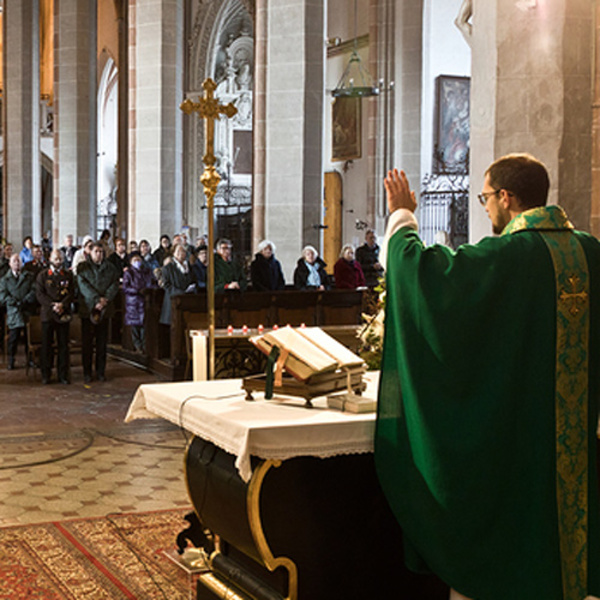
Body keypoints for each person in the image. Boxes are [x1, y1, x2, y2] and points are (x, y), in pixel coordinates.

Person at [375, 154, 600, 600]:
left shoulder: (507, 257)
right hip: (573, 441)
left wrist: (402, 215)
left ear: (507, 197)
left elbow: (425, 280)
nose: (487, 209)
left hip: (514, 441)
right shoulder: (592, 251)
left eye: (486, 198)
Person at [76, 243, 120, 382]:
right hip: (88, 308)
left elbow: (114, 284)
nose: (99, 254)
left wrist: (105, 300)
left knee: (102, 343)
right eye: (96, 251)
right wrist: (96, 299)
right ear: (90, 253)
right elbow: (83, 285)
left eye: (101, 251)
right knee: (87, 343)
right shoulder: (83, 267)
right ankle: (87, 372)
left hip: (105, 310)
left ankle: (101, 371)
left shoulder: (110, 268)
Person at [35, 249, 75, 384]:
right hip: (48, 314)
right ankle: (46, 374)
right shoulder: (43, 275)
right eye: (55, 258)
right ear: (51, 258)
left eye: (60, 258)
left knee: (63, 345)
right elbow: (40, 294)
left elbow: (71, 293)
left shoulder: (68, 275)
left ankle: (63, 374)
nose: (58, 260)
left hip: (63, 314)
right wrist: (53, 305)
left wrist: (62, 305)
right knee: (47, 345)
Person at [0, 254, 36, 369]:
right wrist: (13, 302)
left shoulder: (29, 276)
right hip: (14, 311)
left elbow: (34, 290)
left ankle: (30, 359)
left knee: (28, 337)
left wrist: (25, 300)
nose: (16, 263)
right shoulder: (4, 280)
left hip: (26, 310)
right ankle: (11, 359)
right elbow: (2, 295)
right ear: (10, 264)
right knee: (13, 338)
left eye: (18, 261)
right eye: (14, 261)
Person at [122, 253, 156, 353]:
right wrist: (137, 290)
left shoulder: (146, 271)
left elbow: (153, 282)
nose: (137, 261)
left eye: (138, 259)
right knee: (135, 325)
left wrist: (149, 289)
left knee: (144, 324)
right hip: (133, 301)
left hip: (145, 300)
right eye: (134, 260)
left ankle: (144, 346)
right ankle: (137, 345)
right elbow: (126, 288)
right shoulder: (129, 272)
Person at [159, 244, 196, 325]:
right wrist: (180, 292)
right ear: (173, 253)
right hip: (173, 302)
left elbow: (194, 281)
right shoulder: (168, 268)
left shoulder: (189, 267)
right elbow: (166, 285)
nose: (181, 253)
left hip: (187, 302)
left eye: (183, 251)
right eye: (178, 251)